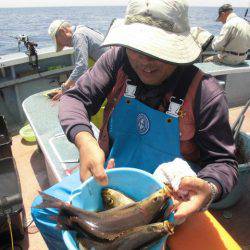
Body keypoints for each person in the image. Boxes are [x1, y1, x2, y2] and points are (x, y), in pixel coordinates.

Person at [32, 0, 238, 249]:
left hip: (171, 202)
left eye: (159, 52)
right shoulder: (117, 62)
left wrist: (209, 188)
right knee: (43, 211)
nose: (145, 62)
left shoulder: (205, 93)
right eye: (137, 49)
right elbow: (75, 98)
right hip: (110, 180)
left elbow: (224, 163)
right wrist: (84, 140)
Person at [48, 20, 107, 100]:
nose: (64, 46)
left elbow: (82, 66)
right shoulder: (82, 29)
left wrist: (64, 89)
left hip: (112, 72)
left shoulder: (78, 36)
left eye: (60, 42)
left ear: (62, 32)